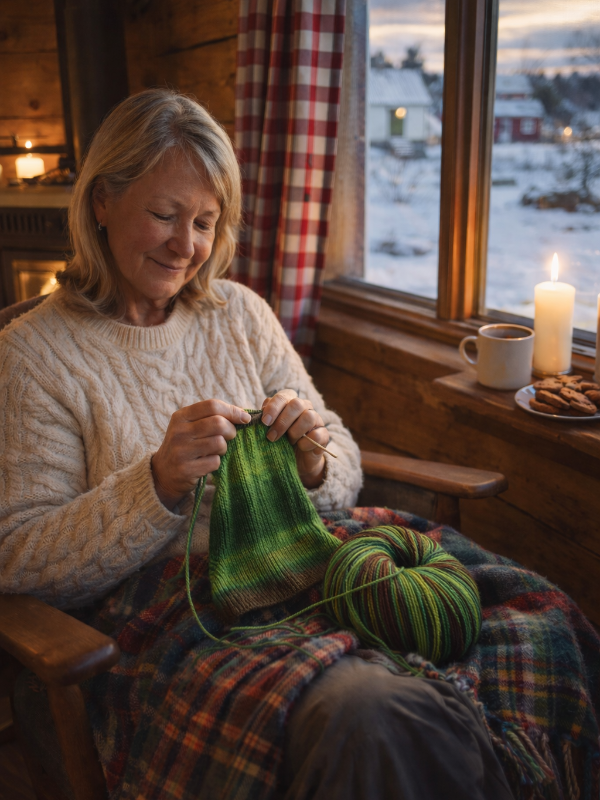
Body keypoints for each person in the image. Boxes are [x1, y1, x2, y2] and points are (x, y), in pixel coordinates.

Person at [0, 89, 513, 800]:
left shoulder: (240, 313)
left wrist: (313, 460)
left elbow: (343, 459)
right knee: (373, 710)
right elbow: (20, 557)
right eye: (163, 214)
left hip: (312, 558)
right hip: (174, 617)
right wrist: (153, 487)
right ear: (101, 203)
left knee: (526, 617)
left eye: (206, 222)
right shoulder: (34, 357)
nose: (187, 246)